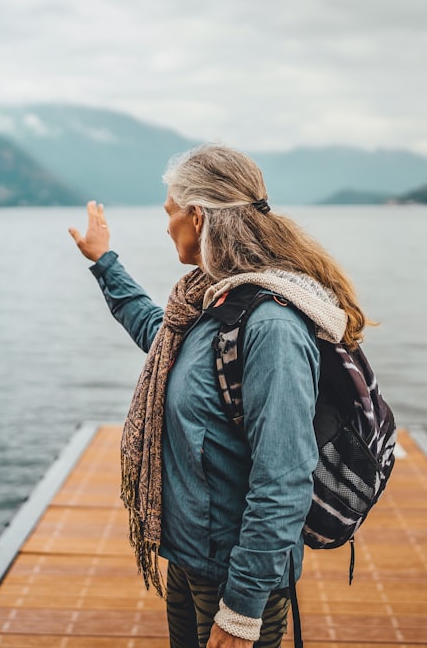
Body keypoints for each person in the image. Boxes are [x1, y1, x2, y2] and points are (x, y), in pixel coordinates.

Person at [68, 144, 369, 648]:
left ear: (197, 216)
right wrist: (104, 263)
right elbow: (160, 337)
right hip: (189, 560)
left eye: (169, 212)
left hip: (235, 580)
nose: (166, 226)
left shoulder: (271, 325)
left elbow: (284, 477)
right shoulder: (212, 300)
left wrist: (242, 611)